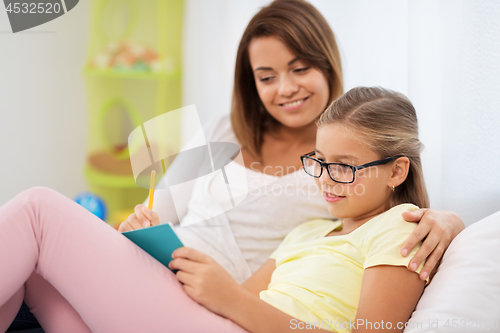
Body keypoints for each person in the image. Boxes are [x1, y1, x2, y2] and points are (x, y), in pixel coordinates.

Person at [8, 0, 465, 330]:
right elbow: (161, 208)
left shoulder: (340, 170)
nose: (284, 88)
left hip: (210, 298)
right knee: (33, 271)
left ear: (328, 65)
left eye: (300, 68)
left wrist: (449, 219)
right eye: (266, 77)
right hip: (165, 269)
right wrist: (137, 229)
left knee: (36, 211)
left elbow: (392, 203)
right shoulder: (222, 127)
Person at [1, 87, 442, 332]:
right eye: (319, 162)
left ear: (397, 171)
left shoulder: (402, 233)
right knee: (39, 271)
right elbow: (232, 303)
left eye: (344, 168)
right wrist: (166, 254)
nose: (325, 179)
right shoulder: (309, 230)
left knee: (40, 211)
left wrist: (230, 298)